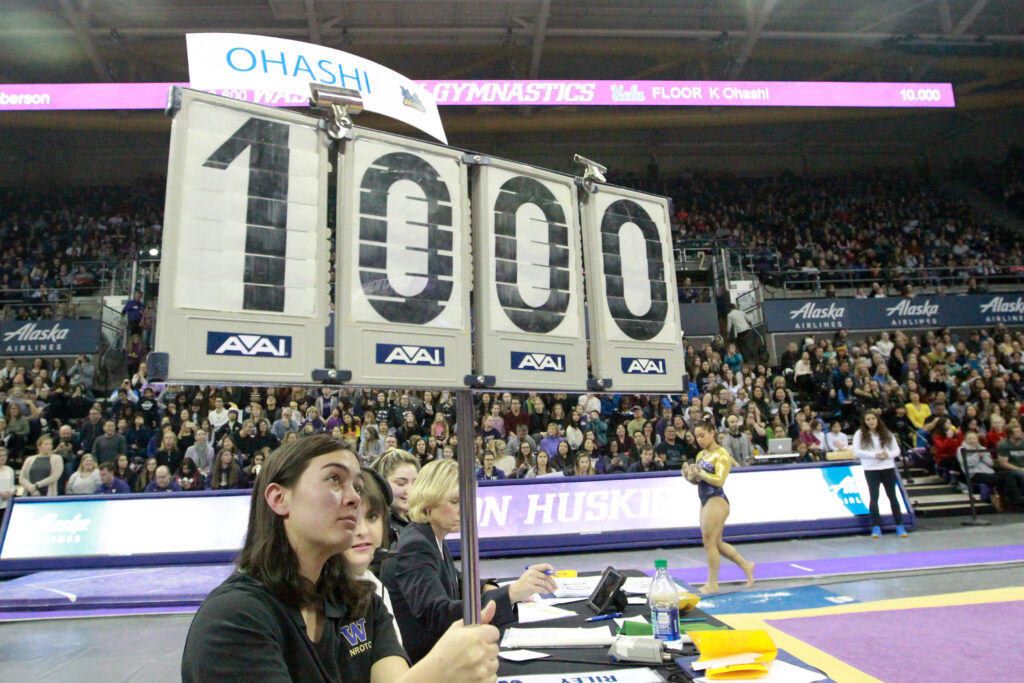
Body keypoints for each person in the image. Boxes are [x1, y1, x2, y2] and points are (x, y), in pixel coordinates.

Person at [181, 435, 503, 682]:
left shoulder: (364, 604)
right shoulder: (234, 620)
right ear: (279, 498)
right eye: (334, 479)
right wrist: (439, 672)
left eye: (357, 486)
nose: (353, 498)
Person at [382, 459, 558, 663]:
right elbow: (439, 615)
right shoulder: (415, 546)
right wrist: (511, 593)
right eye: (455, 502)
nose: (463, 510)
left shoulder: (430, 536)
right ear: (428, 502)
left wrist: (488, 587)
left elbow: (453, 580)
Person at [681, 421, 756, 594]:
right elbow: (696, 481)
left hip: (717, 499)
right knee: (716, 543)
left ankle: (713, 583)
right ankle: (746, 565)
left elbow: (719, 480)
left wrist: (701, 474)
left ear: (712, 433)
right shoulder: (701, 455)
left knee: (709, 543)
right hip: (705, 499)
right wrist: (688, 475)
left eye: (702, 435)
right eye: (697, 436)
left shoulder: (722, 454)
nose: (699, 439)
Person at [343, 466, 402, 644]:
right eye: (350, 518)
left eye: (372, 517)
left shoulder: (377, 587)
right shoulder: (316, 596)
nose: (361, 531)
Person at [853, 411, 908, 538]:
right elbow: (856, 451)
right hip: (871, 468)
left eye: (873, 418)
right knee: (874, 496)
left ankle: (900, 525)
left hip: (887, 467)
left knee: (892, 496)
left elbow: (896, 450)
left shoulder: (886, 433)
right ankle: (876, 527)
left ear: (877, 420)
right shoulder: (859, 434)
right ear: (864, 422)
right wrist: (874, 455)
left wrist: (887, 454)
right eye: (868, 419)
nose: (871, 421)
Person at [371, 449, 421, 543]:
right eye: (401, 483)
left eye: (415, 482)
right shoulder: (378, 527)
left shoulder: (420, 518)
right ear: (381, 484)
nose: (410, 490)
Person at [0, 447, 15, 525]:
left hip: (6, 504)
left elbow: (12, 485)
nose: (3, 458)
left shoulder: (10, 470)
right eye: (0, 456)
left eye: (4, 456)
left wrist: (10, 492)